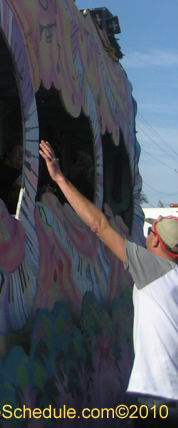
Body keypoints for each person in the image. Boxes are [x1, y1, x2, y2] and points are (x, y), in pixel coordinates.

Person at [40, 140, 178, 417]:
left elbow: (99, 225)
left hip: (159, 398)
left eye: (151, 233)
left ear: (157, 244)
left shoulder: (152, 269)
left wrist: (59, 177)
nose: (146, 235)